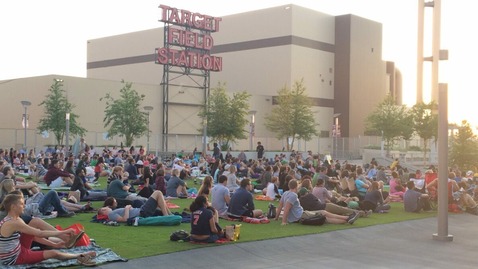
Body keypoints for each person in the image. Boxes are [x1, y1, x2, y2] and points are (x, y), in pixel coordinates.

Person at [0, 193, 96, 266]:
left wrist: (54, 244)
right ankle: (80, 255)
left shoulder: (16, 219)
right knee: (53, 253)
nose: (24, 206)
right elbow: (40, 233)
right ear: (13, 207)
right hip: (15, 258)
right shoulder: (13, 223)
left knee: (35, 221)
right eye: (21, 204)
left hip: (20, 248)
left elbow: (34, 237)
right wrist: (64, 231)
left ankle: (65, 239)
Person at [275, 179, 359, 225]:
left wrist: (276, 218)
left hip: (300, 216)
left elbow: (280, 207)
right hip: (301, 215)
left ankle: (348, 220)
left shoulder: (285, 193)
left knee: (325, 219)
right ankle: (347, 218)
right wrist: (284, 221)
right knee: (323, 213)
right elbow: (286, 208)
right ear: (296, 186)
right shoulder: (293, 195)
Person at [97, 190, 172, 222]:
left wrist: (130, 208)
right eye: (105, 208)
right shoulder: (111, 215)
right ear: (103, 210)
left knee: (159, 200)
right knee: (157, 193)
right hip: (142, 213)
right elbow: (125, 220)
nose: (107, 207)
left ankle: (170, 214)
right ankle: (166, 215)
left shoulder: (113, 212)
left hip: (140, 210)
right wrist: (126, 208)